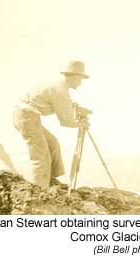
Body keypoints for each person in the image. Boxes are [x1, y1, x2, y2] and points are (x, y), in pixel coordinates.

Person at [13, 60, 90, 189]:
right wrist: (82, 123)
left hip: (27, 116)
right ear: (73, 76)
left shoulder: (59, 87)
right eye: (80, 78)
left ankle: (49, 180)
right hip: (27, 118)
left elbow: (64, 104)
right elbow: (66, 122)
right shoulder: (60, 90)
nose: (80, 82)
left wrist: (76, 108)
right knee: (41, 156)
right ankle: (40, 191)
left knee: (52, 144)